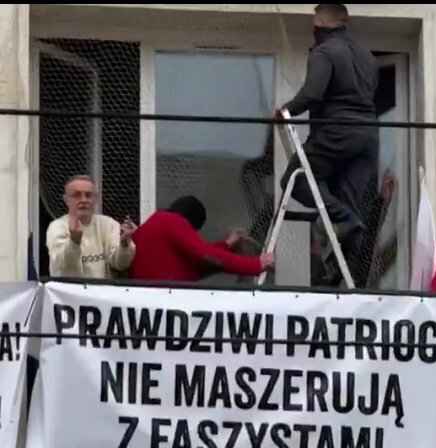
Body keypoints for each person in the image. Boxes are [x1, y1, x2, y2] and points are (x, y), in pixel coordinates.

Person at [277, 3, 379, 248]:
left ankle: (347, 221)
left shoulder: (324, 51)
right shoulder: (367, 56)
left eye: (314, 22)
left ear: (320, 23)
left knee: (295, 179)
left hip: (337, 132)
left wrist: (285, 111)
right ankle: (347, 260)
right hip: (369, 137)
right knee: (345, 200)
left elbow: (312, 94)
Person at [129, 196, 274, 282]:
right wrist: (257, 264)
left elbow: (193, 262)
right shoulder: (173, 221)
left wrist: (226, 244)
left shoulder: (150, 226)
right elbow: (205, 254)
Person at [47, 175, 136, 279]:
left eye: (88, 195)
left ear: (96, 199)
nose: (84, 200)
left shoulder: (108, 224)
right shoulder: (57, 227)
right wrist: (74, 241)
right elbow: (64, 267)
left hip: (101, 289)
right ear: (66, 200)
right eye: (76, 195)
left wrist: (124, 243)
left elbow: (120, 264)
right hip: (69, 289)